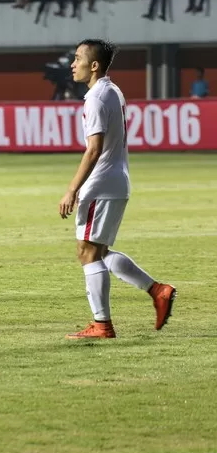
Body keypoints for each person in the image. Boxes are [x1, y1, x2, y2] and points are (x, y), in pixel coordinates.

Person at [60, 38, 177, 340]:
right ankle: (158, 290)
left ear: (94, 65)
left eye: (77, 58)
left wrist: (72, 189)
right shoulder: (113, 91)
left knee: (87, 252)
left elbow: (93, 149)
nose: (73, 64)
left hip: (100, 184)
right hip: (116, 182)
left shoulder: (96, 98)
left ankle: (102, 325)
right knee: (98, 251)